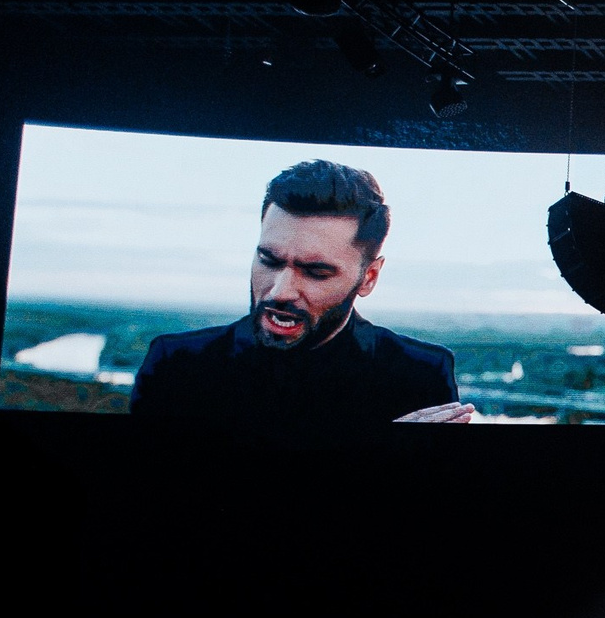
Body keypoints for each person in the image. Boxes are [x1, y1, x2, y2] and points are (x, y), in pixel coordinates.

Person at [130, 159, 472, 425]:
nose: (280, 291)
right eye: (269, 260)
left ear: (368, 278)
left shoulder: (418, 372)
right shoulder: (177, 364)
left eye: (316, 272)